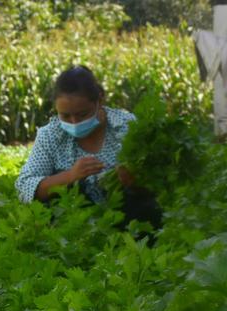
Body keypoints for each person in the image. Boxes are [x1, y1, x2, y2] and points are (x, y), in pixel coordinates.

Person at [15, 65, 162, 231]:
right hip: (71, 225)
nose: (74, 122)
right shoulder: (50, 135)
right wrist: (71, 176)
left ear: (100, 100)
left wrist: (135, 183)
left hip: (127, 221)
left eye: (82, 114)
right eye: (65, 115)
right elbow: (24, 186)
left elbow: (158, 179)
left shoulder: (127, 126)